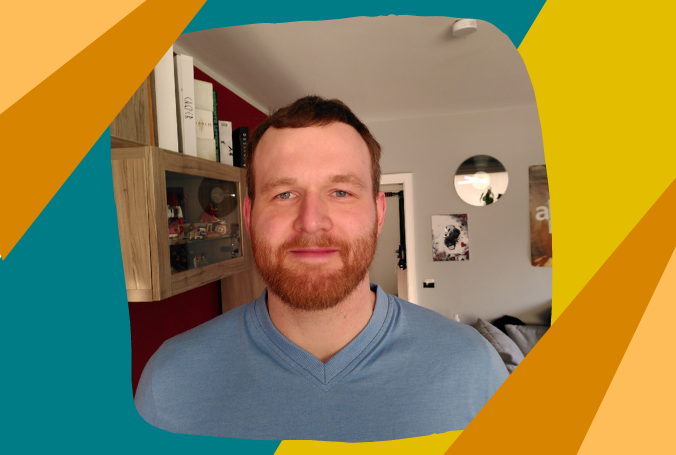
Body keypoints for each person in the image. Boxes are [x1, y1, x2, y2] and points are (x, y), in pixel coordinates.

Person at [135, 96, 508, 442]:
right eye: (284, 194)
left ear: (379, 213)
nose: (311, 222)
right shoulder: (170, 382)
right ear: (249, 217)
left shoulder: (473, 369)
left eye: (341, 192)